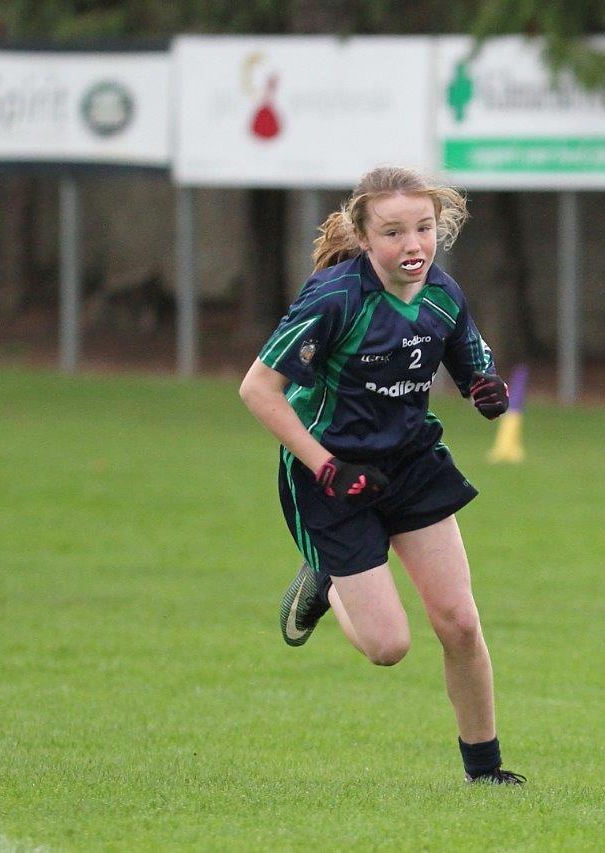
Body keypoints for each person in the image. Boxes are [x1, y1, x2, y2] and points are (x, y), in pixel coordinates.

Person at [238, 165, 525, 785]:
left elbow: (470, 356)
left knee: (460, 621)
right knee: (388, 647)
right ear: (364, 237)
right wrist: (325, 465)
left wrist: (484, 386)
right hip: (331, 472)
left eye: (424, 228)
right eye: (394, 233)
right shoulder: (334, 299)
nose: (413, 245)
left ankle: (486, 770)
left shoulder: (443, 292)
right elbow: (259, 389)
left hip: (413, 464)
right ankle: (325, 577)